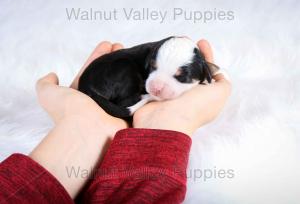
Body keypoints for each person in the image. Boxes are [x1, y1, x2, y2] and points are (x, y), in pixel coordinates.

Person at [0, 39, 231, 203]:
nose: (158, 86)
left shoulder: (192, 65)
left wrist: (82, 122)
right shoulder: (151, 54)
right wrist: (171, 124)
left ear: (203, 75)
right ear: (152, 57)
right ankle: (126, 103)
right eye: (154, 69)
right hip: (106, 85)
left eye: (179, 77)